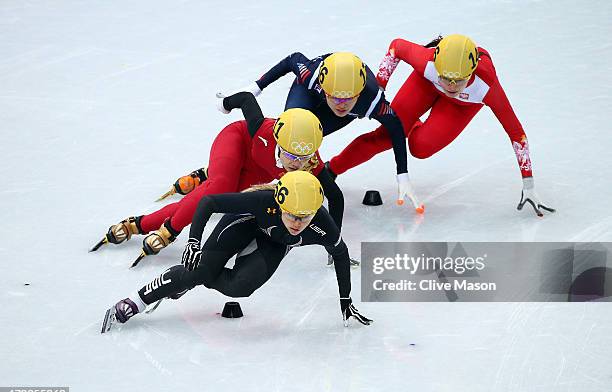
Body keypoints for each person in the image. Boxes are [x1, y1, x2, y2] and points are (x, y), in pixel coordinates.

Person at [90, 92, 352, 266]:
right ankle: (171, 230)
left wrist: (334, 244)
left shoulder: (312, 164)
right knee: (221, 186)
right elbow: (247, 99)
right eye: (288, 154)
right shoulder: (262, 129)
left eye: (302, 158)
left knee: (215, 197)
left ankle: (139, 224)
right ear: (277, 141)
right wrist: (225, 103)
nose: (295, 162)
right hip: (236, 143)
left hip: (255, 173)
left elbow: (335, 196)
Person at [101, 171, 372, 332]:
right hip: (245, 222)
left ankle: (187, 277)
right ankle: (137, 301)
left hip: (274, 243)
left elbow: (340, 254)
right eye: (291, 215)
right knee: (200, 269)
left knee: (239, 288)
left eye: (306, 217)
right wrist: (193, 242)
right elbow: (208, 202)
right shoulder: (263, 200)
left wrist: (345, 300)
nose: (298, 223)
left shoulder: (323, 225)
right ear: (279, 204)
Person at [326, 34, 555, 217]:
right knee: (386, 136)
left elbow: (516, 133)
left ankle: (411, 123)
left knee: (420, 148)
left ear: (472, 72)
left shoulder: (487, 86)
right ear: (436, 63)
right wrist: (379, 88)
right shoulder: (427, 62)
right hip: (426, 83)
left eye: (459, 81)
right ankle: (331, 169)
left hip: (461, 106)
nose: (451, 85)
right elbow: (396, 47)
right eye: (445, 77)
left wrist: (529, 183)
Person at [232, 51, 423, 211]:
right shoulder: (311, 76)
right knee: (293, 131)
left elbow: (396, 129)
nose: (341, 104)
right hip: (308, 92)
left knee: (305, 144)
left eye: (349, 99)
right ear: (323, 87)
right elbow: (293, 59)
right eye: (335, 98)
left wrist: (403, 175)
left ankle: (295, 181)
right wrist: (256, 86)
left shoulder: (372, 101)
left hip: (340, 107)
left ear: (359, 93)